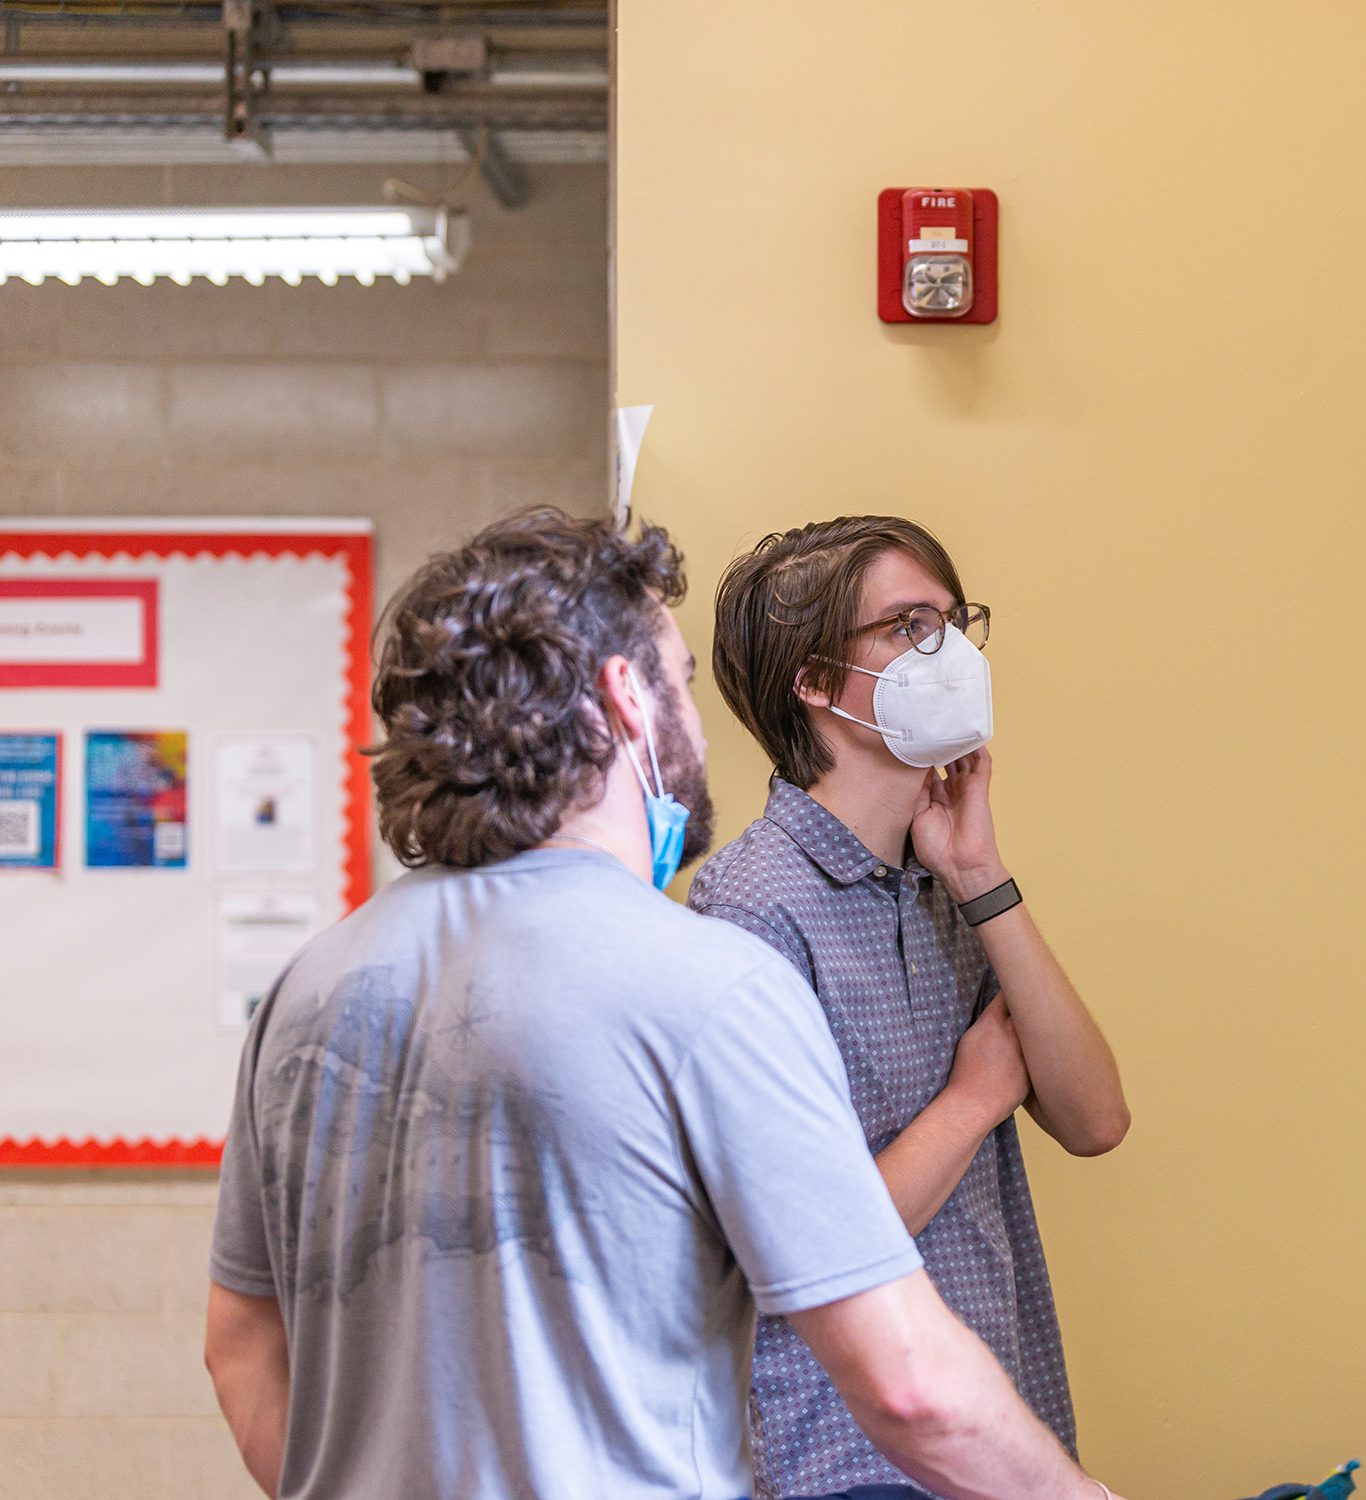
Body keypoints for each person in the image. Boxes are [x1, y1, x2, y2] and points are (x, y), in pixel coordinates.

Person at [202, 508, 1123, 1500]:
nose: (694, 716)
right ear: (626, 700)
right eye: (680, 683)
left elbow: (239, 1345)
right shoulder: (704, 978)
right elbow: (907, 1387)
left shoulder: (308, 987)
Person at [692, 516, 1130, 1500]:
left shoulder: (942, 883)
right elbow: (800, 1242)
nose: (953, 653)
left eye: (955, 621)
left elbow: (1095, 1119)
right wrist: (973, 1102)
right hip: (843, 1453)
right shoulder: (751, 907)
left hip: (996, 1419)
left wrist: (981, 873)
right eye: (908, 626)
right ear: (812, 681)